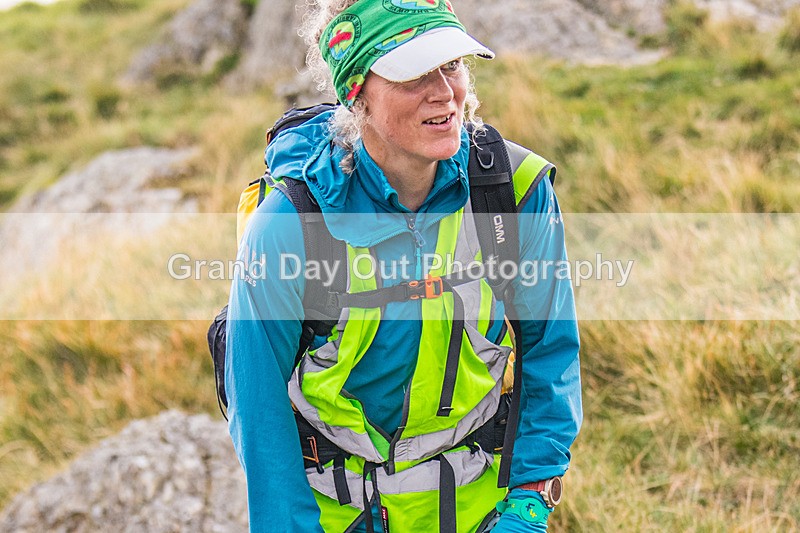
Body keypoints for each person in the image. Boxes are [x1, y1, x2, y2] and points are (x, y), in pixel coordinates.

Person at [225, 0, 582, 531]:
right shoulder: (290, 222)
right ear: (356, 93)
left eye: (453, 65)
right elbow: (258, 404)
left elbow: (549, 346)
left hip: (481, 507)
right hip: (336, 514)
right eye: (413, 73)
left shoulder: (513, 190)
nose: (444, 92)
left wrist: (531, 496)